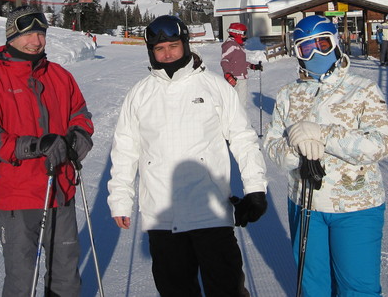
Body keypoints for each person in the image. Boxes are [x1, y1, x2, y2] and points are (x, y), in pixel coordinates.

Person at [108, 15, 268, 297]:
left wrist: (255, 189)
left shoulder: (214, 86)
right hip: (162, 215)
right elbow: (125, 149)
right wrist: (120, 198)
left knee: (227, 289)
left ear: (185, 44)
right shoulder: (140, 94)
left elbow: (243, 138)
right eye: (160, 48)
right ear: (151, 52)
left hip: (210, 212)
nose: (167, 53)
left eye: (173, 45)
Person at [0, 5, 94, 296]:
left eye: (41, 33)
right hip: (17, 194)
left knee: (65, 275)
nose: (36, 41)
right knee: (21, 277)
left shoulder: (60, 76)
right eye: (28, 34)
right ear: (11, 37)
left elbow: (81, 115)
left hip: (60, 189)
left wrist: (76, 140)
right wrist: (35, 146)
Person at [264, 15, 388, 297]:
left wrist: (324, 134)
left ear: (336, 44)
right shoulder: (288, 94)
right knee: (313, 286)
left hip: (356, 203)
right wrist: (294, 153)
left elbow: (381, 144)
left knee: (357, 286)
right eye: (305, 48)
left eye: (322, 44)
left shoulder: (362, 89)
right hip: (305, 201)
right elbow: (272, 143)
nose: (315, 53)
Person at [221, 22, 263, 109]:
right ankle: (237, 121)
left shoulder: (238, 45)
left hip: (242, 78)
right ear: (237, 33)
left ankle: (241, 121)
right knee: (237, 105)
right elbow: (224, 60)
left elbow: (241, 62)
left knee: (241, 104)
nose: (245, 36)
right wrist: (228, 75)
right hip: (235, 79)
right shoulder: (230, 45)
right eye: (244, 33)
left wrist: (253, 66)